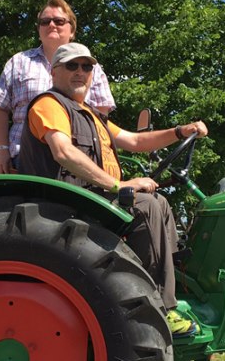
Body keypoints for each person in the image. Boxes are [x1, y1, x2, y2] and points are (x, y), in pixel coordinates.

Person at [21, 42, 208, 337]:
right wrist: (120, 185)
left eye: (86, 66)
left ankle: (174, 294)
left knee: (157, 202)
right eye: (72, 66)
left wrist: (179, 132)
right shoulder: (49, 105)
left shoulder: (93, 115)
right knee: (145, 208)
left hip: (92, 197)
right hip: (66, 203)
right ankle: (157, 308)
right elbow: (63, 152)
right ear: (54, 71)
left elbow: (135, 141)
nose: (80, 72)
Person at [0, 0, 115, 174]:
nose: (51, 25)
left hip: (76, 165)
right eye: (45, 21)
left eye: (59, 21)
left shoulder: (92, 69)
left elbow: (101, 119)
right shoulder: (19, 62)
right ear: (39, 29)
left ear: (72, 30)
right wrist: (2, 150)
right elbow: (0, 108)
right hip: (23, 162)